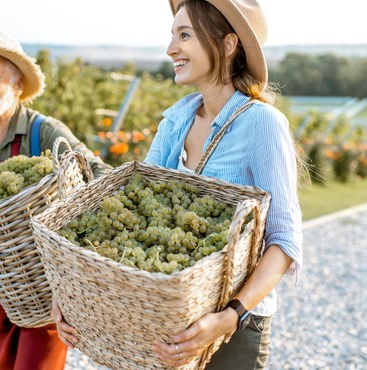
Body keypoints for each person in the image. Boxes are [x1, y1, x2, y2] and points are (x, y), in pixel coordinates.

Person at [53, 1, 303, 368]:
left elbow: (284, 241)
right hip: (165, 325)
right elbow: (135, 213)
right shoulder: (175, 122)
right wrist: (74, 295)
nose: (171, 49)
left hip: (233, 329)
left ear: (228, 44)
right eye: (172, 35)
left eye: (184, 35)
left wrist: (228, 316)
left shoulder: (262, 124)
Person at [0, 28, 111, 370]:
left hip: (42, 284)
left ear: (16, 85)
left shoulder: (43, 132)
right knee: (4, 362)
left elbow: (98, 171)